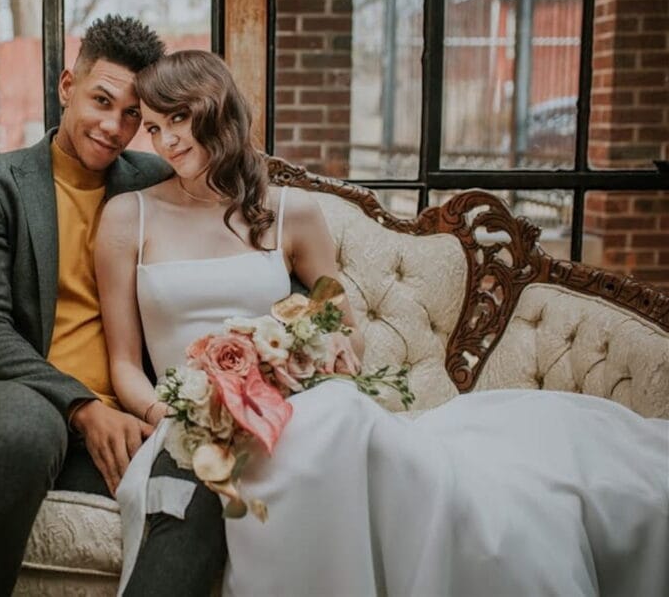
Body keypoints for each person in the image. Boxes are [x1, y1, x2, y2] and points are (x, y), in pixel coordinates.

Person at [95, 50, 669, 596]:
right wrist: (168, 413)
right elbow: (124, 361)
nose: (165, 139)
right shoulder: (129, 216)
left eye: (178, 118)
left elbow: (341, 323)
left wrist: (320, 350)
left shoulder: (290, 211)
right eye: (150, 127)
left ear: (215, 110)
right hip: (192, 414)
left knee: (344, 415)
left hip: (294, 408)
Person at [0, 18, 226, 597]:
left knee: (206, 466)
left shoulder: (154, 181)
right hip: (9, 396)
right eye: (101, 101)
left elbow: (231, 229)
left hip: (126, 412)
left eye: (133, 116)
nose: (113, 126)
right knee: (28, 432)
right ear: (66, 86)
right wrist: (81, 405)